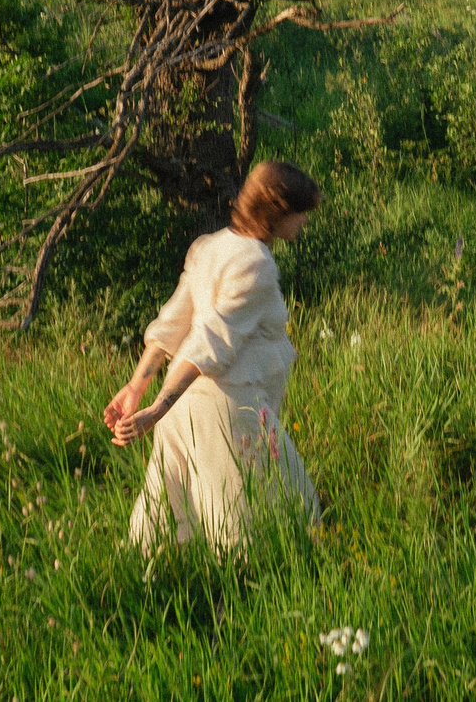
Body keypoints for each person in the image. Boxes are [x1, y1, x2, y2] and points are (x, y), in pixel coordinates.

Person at [105, 160, 323, 549]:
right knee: (280, 512)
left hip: (184, 408)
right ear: (278, 211)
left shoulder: (210, 246)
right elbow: (210, 341)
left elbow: (171, 325)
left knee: (175, 513)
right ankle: (238, 596)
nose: (305, 221)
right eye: (301, 211)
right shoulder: (256, 263)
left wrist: (139, 386)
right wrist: (154, 406)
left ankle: (164, 587)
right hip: (226, 408)